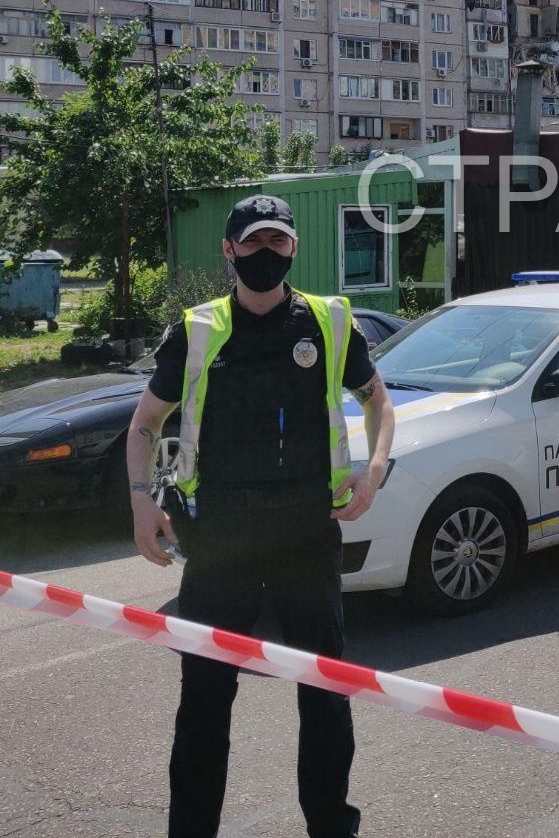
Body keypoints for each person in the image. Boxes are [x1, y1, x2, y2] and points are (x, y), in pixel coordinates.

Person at [127, 194, 395, 838]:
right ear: (229, 249)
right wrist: (142, 502)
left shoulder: (329, 323)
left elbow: (379, 404)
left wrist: (376, 468)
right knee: (204, 704)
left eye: (278, 243)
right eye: (253, 243)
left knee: (326, 695)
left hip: (306, 533)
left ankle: (332, 827)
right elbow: (144, 425)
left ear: (294, 249)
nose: (265, 255)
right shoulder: (196, 331)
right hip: (221, 539)